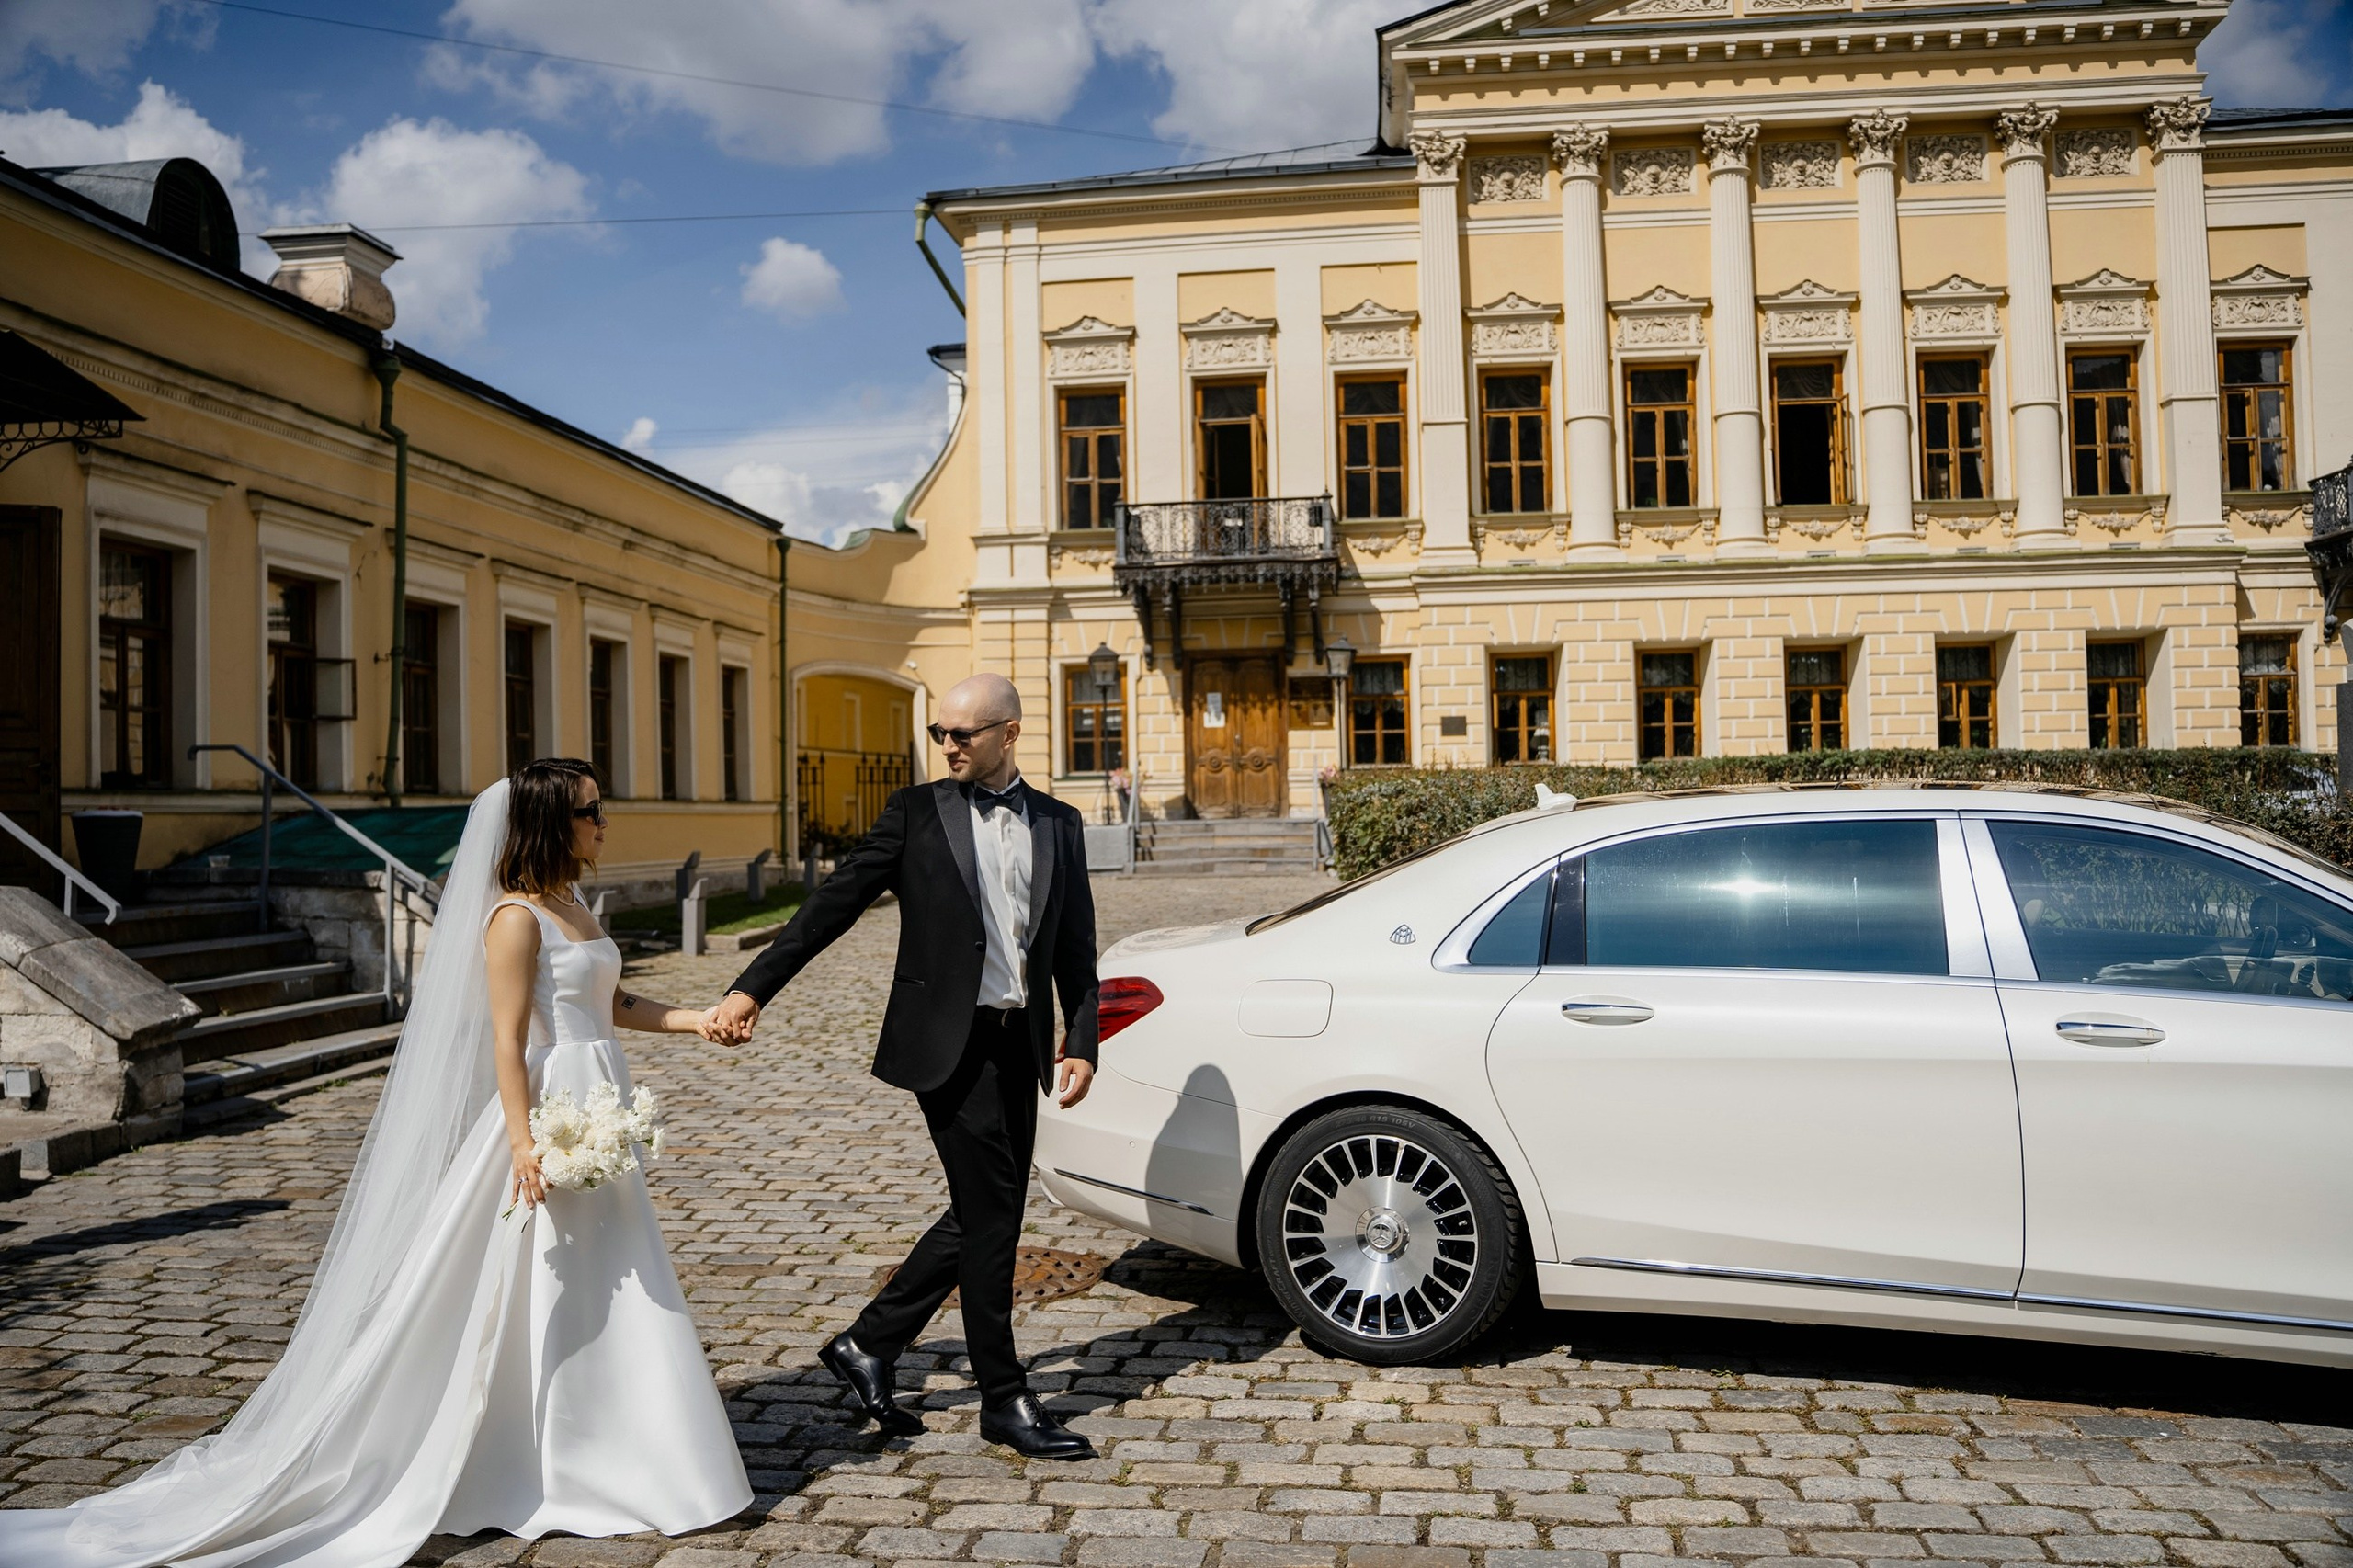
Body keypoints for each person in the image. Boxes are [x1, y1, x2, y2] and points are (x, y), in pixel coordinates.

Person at [0, 759, 751, 1566]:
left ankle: (614, 1443)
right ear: (546, 824)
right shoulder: (515, 919)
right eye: (590, 813)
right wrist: (526, 1143)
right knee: (538, 1280)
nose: (605, 825)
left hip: (597, 1100)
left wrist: (694, 1020)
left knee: (609, 1273)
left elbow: (607, 1003)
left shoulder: (573, 902)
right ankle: (527, 1453)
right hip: (550, 1112)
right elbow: (505, 1039)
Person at [708, 674, 1101, 1460]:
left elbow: (1075, 948)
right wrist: (753, 988)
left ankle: (869, 1343)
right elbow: (834, 904)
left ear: (1010, 733)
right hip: (943, 1043)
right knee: (992, 1215)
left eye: (964, 734)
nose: (948, 746)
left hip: (1017, 1041)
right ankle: (1003, 1396)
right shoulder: (916, 814)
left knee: (985, 1210)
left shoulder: (1060, 822)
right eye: (940, 734)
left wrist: (1083, 1040)